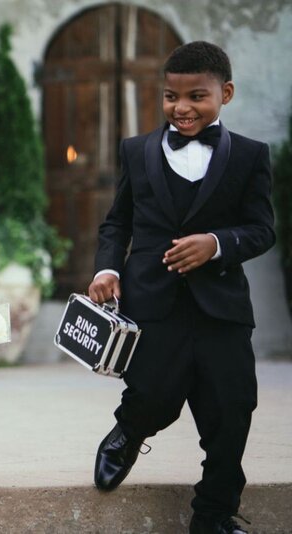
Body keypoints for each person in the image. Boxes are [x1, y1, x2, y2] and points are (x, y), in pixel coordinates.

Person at [87, 41, 275, 534]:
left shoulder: (251, 156)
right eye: (172, 96)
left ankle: (213, 515)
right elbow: (116, 224)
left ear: (225, 94)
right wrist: (108, 269)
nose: (182, 108)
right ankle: (128, 431)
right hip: (152, 301)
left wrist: (217, 243)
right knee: (153, 395)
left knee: (230, 410)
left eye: (197, 96)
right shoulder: (136, 150)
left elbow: (262, 229)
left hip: (222, 308)